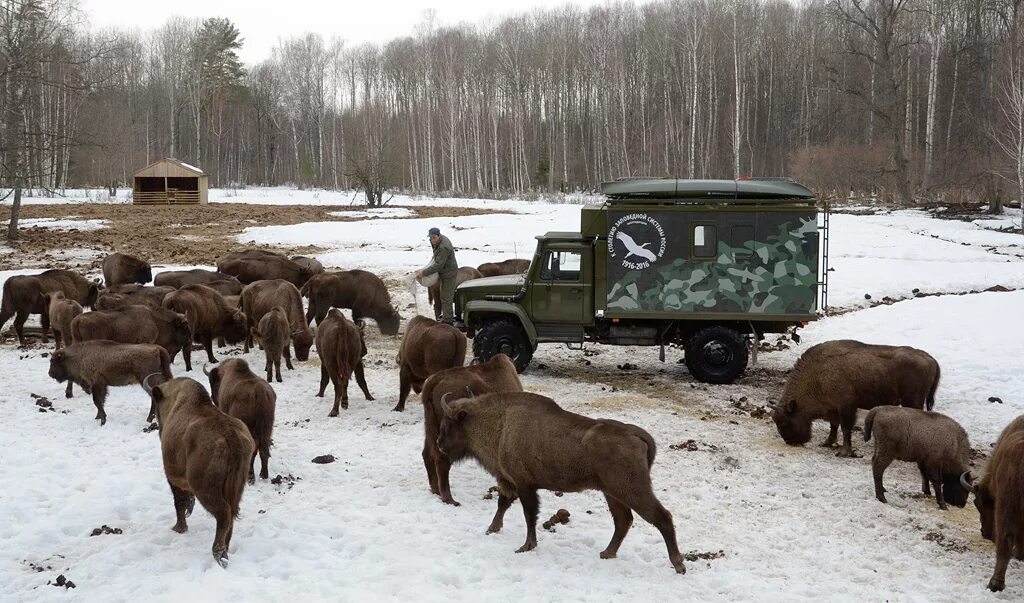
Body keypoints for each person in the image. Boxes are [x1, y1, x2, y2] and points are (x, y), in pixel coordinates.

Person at [416, 227, 460, 325]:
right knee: (443, 295)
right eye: (430, 238)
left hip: (449, 272)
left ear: (438, 236)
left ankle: (448, 320)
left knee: (446, 296)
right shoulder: (437, 241)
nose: (432, 240)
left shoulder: (443, 247)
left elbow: (438, 265)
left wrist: (423, 273)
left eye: (434, 238)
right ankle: (446, 316)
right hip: (443, 270)